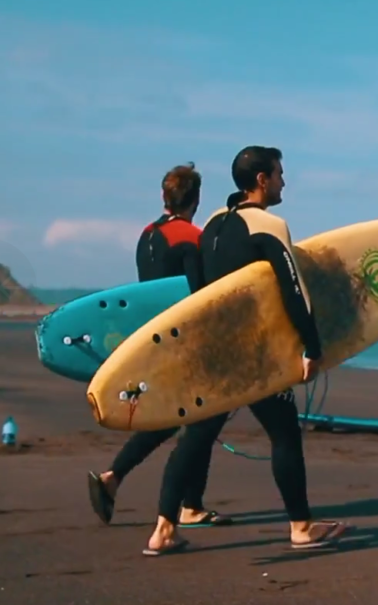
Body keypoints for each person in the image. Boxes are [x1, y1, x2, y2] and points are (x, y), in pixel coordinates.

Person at [142, 145, 347, 556]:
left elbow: (199, 289)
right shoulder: (268, 226)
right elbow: (293, 289)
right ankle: (301, 527)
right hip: (254, 357)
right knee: (285, 433)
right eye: (279, 173)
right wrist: (311, 346)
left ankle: (163, 529)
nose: (283, 181)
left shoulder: (214, 225)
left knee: (197, 434)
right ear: (261, 180)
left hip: (214, 350)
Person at [87, 163, 231, 528]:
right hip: (185, 342)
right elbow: (198, 297)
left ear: (165, 197)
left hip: (154, 338)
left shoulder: (147, 236)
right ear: (195, 199)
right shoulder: (190, 237)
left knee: (176, 420)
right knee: (202, 420)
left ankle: (120, 479)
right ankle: (183, 508)